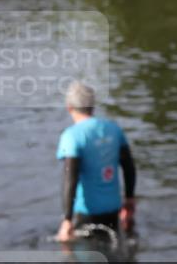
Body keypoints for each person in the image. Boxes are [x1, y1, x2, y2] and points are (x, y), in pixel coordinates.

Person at [56, 81, 137, 242]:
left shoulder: (72, 136)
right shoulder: (113, 129)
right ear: (92, 106)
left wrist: (67, 219)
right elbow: (129, 167)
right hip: (113, 209)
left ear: (69, 107)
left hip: (86, 213)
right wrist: (129, 201)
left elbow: (70, 178)